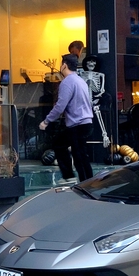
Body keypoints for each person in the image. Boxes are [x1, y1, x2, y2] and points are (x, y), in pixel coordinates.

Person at [39, 54, 94, 183]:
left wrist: (46, 121)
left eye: (61, 64)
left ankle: (76, 179)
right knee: (79, 153)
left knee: (72, 151)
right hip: (86, 123)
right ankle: (87, 181)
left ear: (64, 65)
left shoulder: (67, 82)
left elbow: (60, 106)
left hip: (77, 124)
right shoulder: (81, 81)